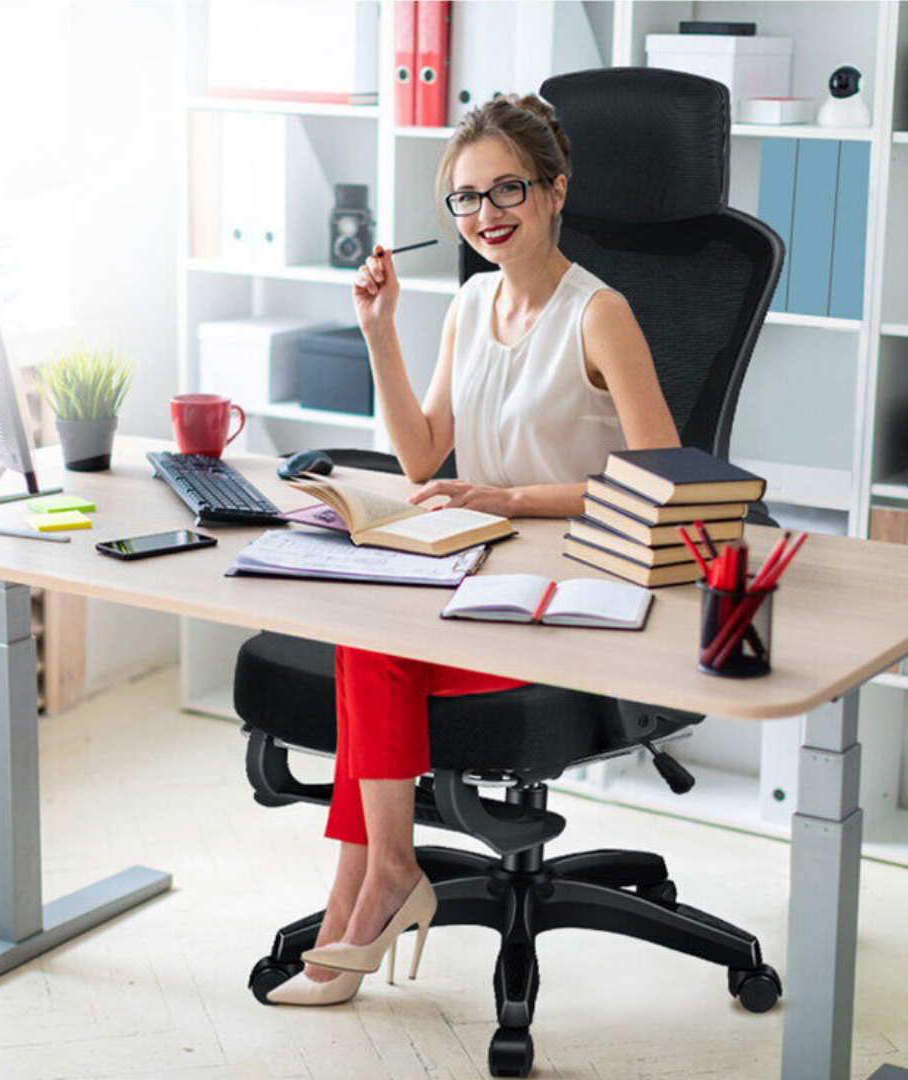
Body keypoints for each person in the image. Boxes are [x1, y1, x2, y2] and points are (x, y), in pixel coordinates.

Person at [267, 94, 680, 1006]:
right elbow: (423, 455)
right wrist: (381, 332)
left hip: (574, 601)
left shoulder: (598, 315)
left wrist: (510, 497)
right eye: (464, 198)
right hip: (479, 584)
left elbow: (662, 482)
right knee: (363, 636)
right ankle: (367, 892)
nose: (485, 215)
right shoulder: (468, 299)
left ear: (555, 191)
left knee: (369, 650)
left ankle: (372, 890)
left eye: (507, 191)